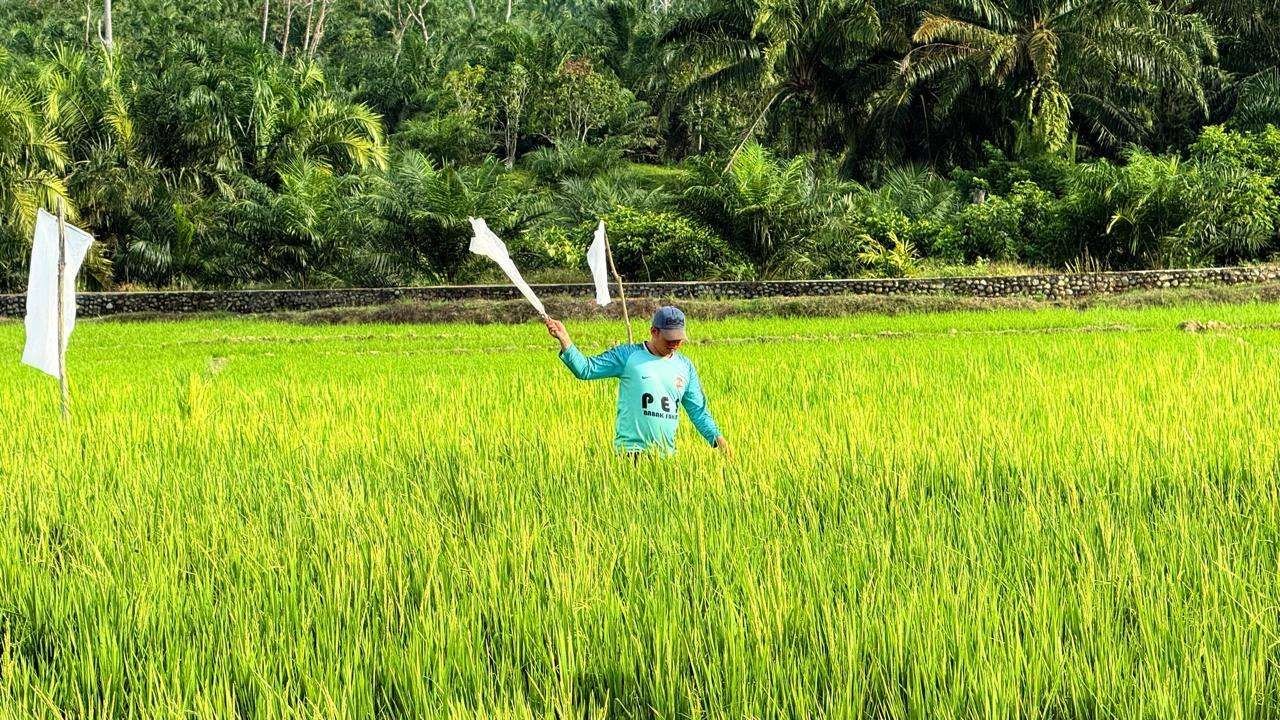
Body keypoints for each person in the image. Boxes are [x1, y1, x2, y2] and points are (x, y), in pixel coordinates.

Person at [545, 306, 731, 457]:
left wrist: (719, 441)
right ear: (654, 332)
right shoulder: (627, 356)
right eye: (670, 339)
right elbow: (586, 369)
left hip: (667, 456)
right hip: (631, 454)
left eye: (679, 339)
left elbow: (698, 412)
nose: (675, 344)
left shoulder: (685, 366)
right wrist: (565, 340)